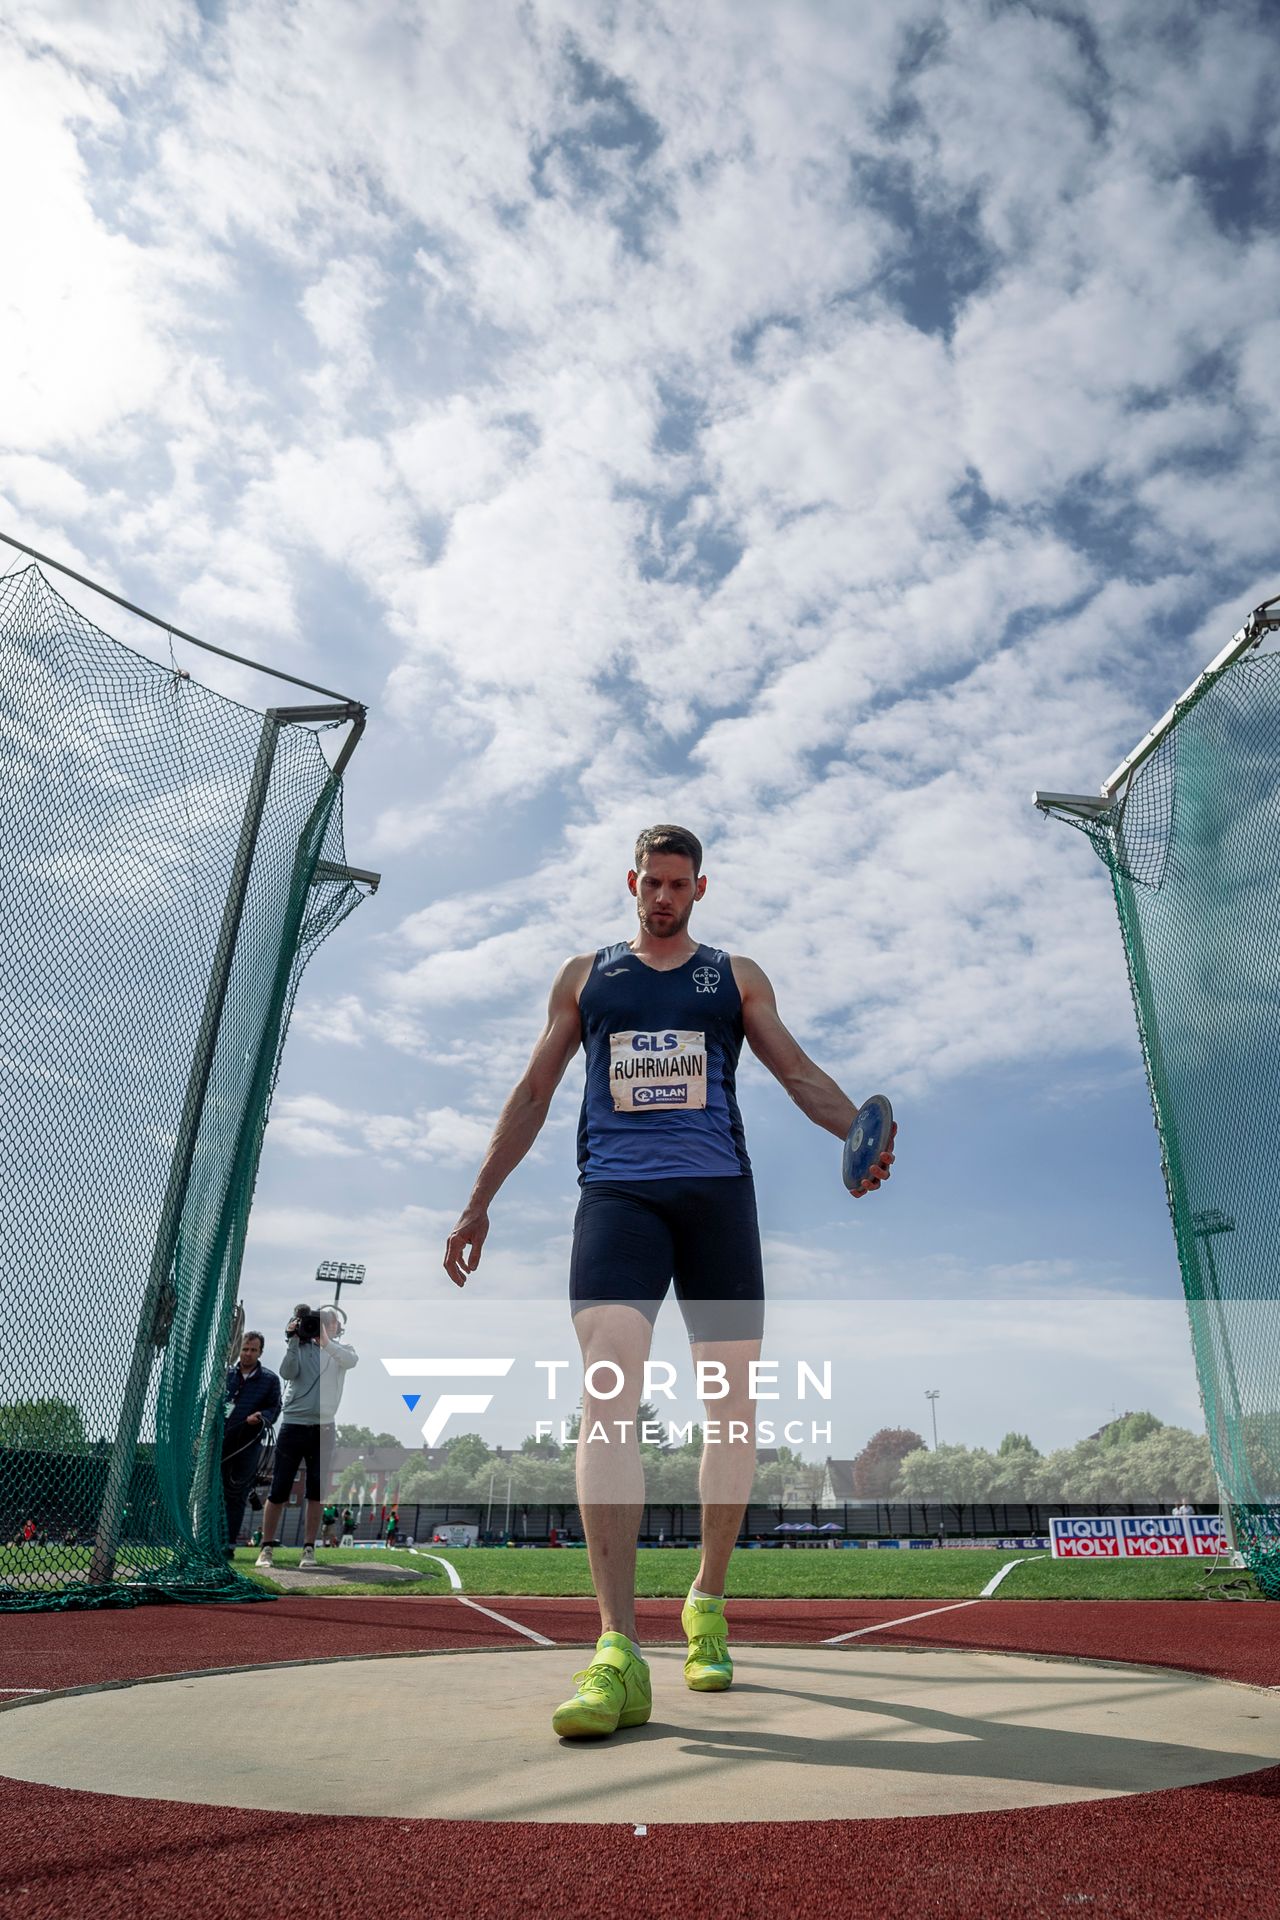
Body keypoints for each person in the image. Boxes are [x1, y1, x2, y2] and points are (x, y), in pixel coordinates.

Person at [444, 823, 895, 1739]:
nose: (663, 897)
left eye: (678, 885)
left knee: (732, 1406)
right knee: (608, 1385)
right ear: (631, 883)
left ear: (700, 889)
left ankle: (707, 1602)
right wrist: (478, 1200)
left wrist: (858, 1133)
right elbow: (532, 1092)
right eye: (651, 882)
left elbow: (797, 1071)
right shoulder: (586, 978)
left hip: (718, 1198)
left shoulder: (734, 977)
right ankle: (617, 1648)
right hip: (619, 1198)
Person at [255, 1306, 358, 1573]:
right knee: (279, 1489)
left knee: (316, 1491)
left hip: (324, 1428)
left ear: (338, 1327)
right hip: (293, 1424)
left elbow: (351, 1361)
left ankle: (309, 1548)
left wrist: (325, 1343)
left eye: (330, 1322)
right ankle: (266, 1547)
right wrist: (292, 1341)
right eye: (320, 1321)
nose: (325, 1326)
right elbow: (287, 1373)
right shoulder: (300, 1347)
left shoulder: (342, 1349)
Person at [221, 1331, 281, 1560]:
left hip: (248, 1444)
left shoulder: (269, 1379)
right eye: (245, 1349)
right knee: (215, 1491)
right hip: (222, 1442)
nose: (247, 1353)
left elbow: (274, 1408)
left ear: (260, 1352)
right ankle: (209, 1539)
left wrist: (261, 1417)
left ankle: (228, 1544)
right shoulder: (226, 1375)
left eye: (253, 1350)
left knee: (237, 1494)